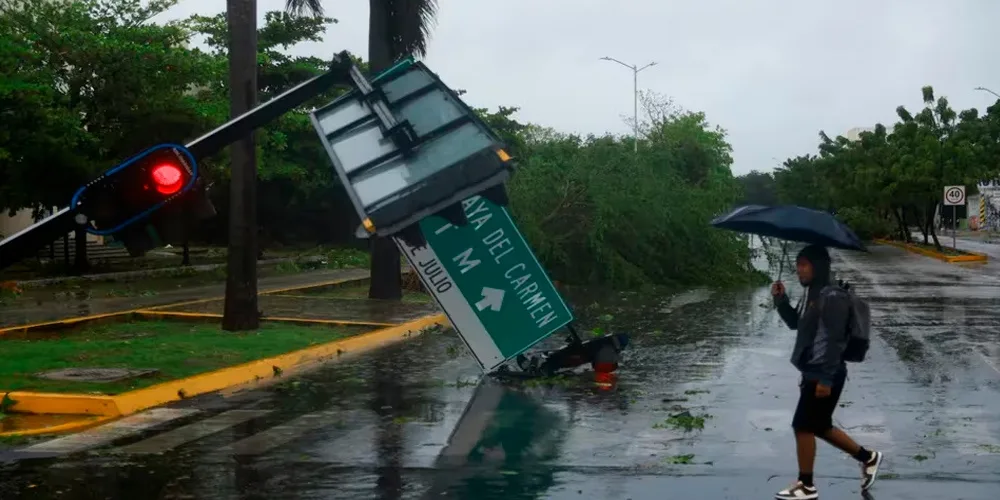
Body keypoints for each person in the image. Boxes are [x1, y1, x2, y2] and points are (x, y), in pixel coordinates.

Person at [771, 244, 883, 500]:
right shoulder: (813, 293)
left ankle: (806, 485)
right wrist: (781, 300)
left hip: (824, 372)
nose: (799, 270)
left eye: (804, 264)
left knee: (802, 426)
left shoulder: (832, 297)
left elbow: (834, 340)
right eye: (798, 264)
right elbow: (797, 326)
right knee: (819, 426)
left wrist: (825, 378)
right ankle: (868, 458)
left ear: (818, 266)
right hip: (814, 370)